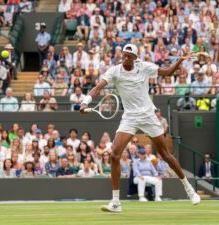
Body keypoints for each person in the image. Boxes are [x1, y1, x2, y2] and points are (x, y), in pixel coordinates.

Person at [80, 44, 200, 212]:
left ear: (135, 58)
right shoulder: (114, 71)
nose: (125, 57)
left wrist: (180, 60)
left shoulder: (144, 67)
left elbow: (167, 72)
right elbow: (98, 87)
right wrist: (85, 101)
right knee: (114, 155)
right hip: (130, 117)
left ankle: (189, 189)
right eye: (124, 54)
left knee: (165, 155)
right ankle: (115, 203)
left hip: (148, 115)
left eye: (129, 55)